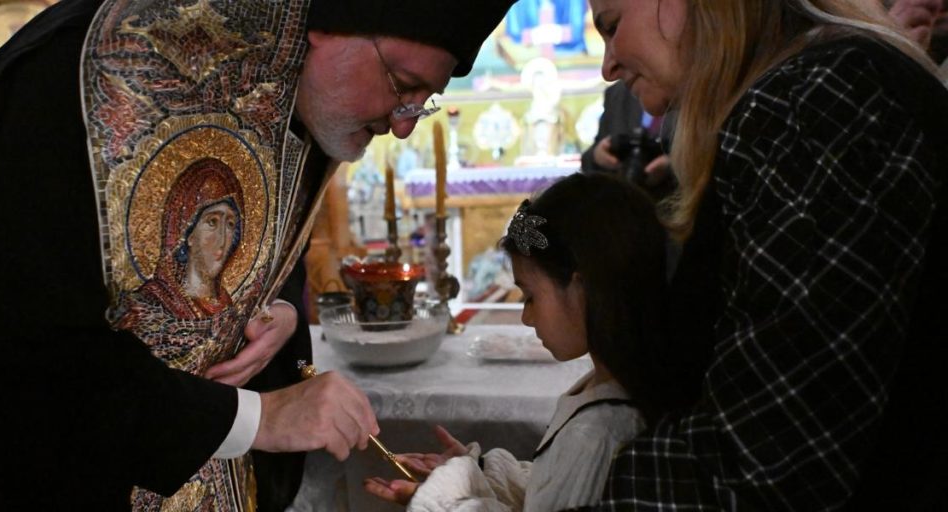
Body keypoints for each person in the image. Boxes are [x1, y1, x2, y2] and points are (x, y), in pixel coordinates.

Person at [0, 0, 517, 510]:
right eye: (403, 86)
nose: (404, 124)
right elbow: (11, 346)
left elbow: (269, 246)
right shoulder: (73, 76)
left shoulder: (299, 94)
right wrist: (260, 419)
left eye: (424, 102)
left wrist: (276, 310)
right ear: (328, 26)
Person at [573, 0, 948, 510]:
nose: (608, 65)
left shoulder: (811, 101)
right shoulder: (818, 85)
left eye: (612, 27)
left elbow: (764, 462)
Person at [363, 172, 691, 511]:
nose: (525, 317)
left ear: (582, 290)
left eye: (530, 296)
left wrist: (441, 503)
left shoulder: (600, 431)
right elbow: (551, 491)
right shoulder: (608, 387)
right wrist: (477, 474)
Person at [580, 82, 676, 200]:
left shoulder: (692, 91)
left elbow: (703, 159)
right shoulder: (617, 93)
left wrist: (673, 165)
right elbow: (588, 158)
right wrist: (597, 155)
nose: (608, 73)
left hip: (675, 205)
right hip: (621, 204)